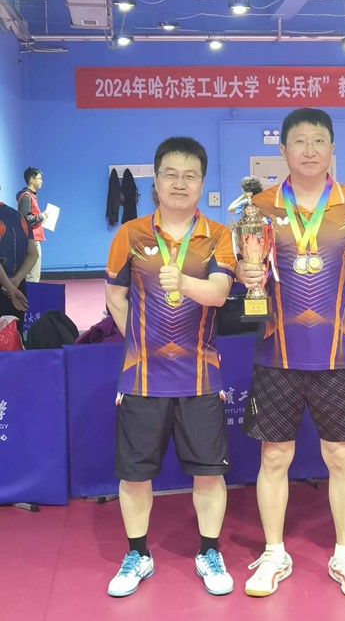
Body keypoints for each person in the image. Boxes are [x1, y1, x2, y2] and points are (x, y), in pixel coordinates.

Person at [235, 108, 345, 599]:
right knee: (274, 456)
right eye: (299, 141)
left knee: (341, 455)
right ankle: (274, 552)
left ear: (332, 148)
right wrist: (244, 273)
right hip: (276, 352)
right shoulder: (259, 207)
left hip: (337, 354)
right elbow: (245, 269)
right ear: (283, 150)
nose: (310, 150)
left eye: (319, 140)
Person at [105, 137, 236, 598]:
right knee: (134, 475)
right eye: (171, 175)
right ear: (156, 181)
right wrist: (141, 346)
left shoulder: (219, 235)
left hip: (201, 376)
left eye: (190, 175)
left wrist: (182, 281)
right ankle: (138, 554)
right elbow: (115, 296)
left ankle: (209, 551)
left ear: (202, 182)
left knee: (209, 473)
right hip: (142, 378)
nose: (180, 183)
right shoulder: (130, 234)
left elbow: (219, 293)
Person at [0, 198, 39, 334]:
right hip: (17, 288)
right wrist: (15, 281)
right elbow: (33, 254)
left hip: (9, 289)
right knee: (15, 337)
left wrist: (10, 288)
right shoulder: (20, 217)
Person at [17, 167, 48, 282]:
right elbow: (25, 219)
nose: (41, 181)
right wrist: (42, 216)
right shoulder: (26, 196)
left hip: (32, 238)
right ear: (31, 180)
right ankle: (30, 294)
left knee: (32, 274)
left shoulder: (29, 196)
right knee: (33, 276)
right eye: (39, 178)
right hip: (31, 239)